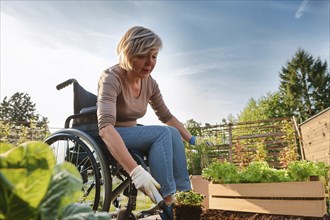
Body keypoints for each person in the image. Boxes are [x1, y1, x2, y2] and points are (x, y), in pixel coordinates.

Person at [97, 26, 203, 220]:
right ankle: (169, 203)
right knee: (163, 133)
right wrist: (136, 172)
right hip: (113, 134)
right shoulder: (111, 77)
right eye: (144, 56)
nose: (150, 63)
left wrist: (193, 139)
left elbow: (167, 116)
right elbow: (105, 128)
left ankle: (185, 199)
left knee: (170, 131)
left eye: (154, 56)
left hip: (133, 133)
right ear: (130, 53)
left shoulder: (150, 83)